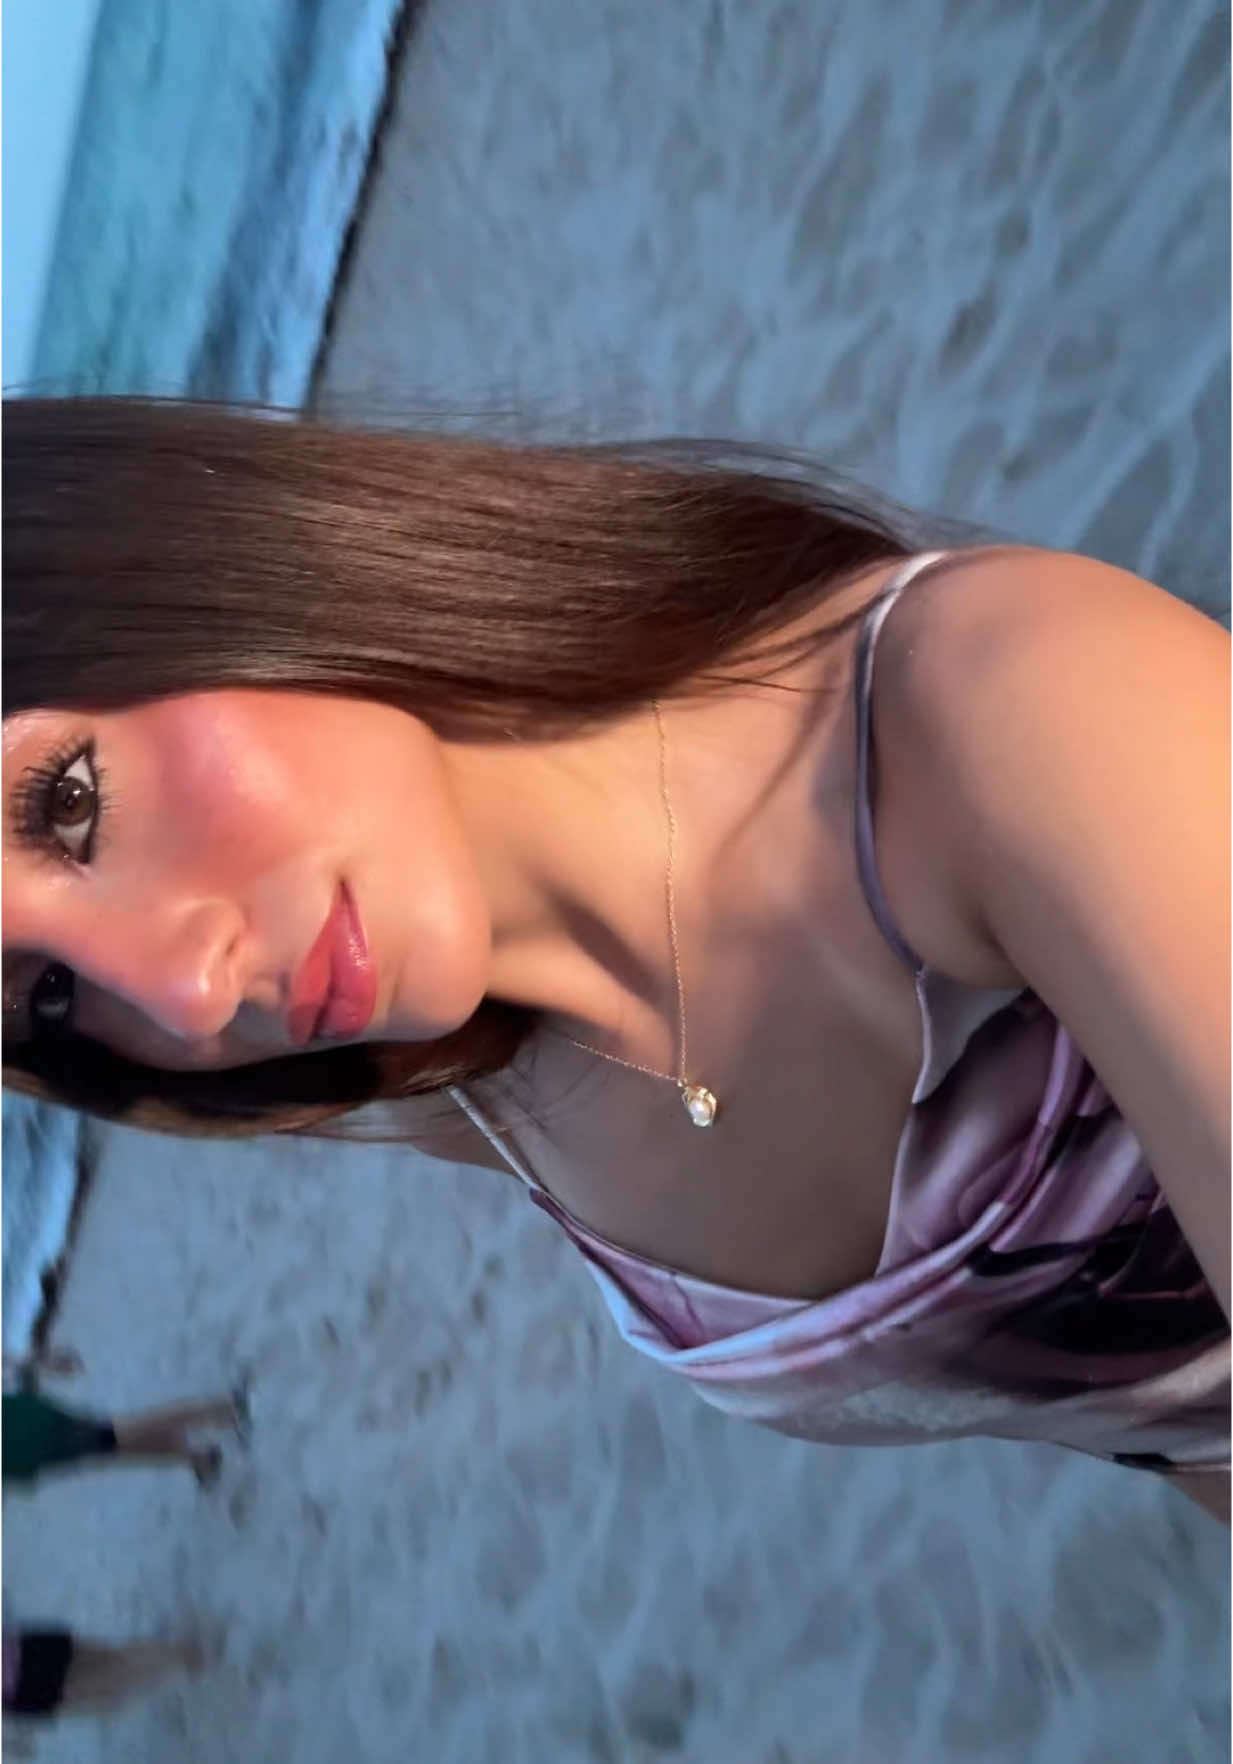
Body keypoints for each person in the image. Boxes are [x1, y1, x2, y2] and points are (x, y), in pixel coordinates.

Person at [3, 397, 1228, 1526]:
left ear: (197, 567)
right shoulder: (471, 1099)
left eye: (71, 801)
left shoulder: (998, 721)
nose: (188, 992)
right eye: (49, 995)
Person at [3, 1347, 250, 1490]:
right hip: (24, 1431)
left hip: (24, 1444)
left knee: (123, 1432)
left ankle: (222, 1411)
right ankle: (199, 1456)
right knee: (114, 1444)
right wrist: (37, 1362)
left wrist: (40, 1363)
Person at [2, 1624, 209, 1727]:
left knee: (114, 1689)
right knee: (115, 1662)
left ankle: (182, 1663)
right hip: (35, 1650)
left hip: (37, 1684)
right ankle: (179, 1657)